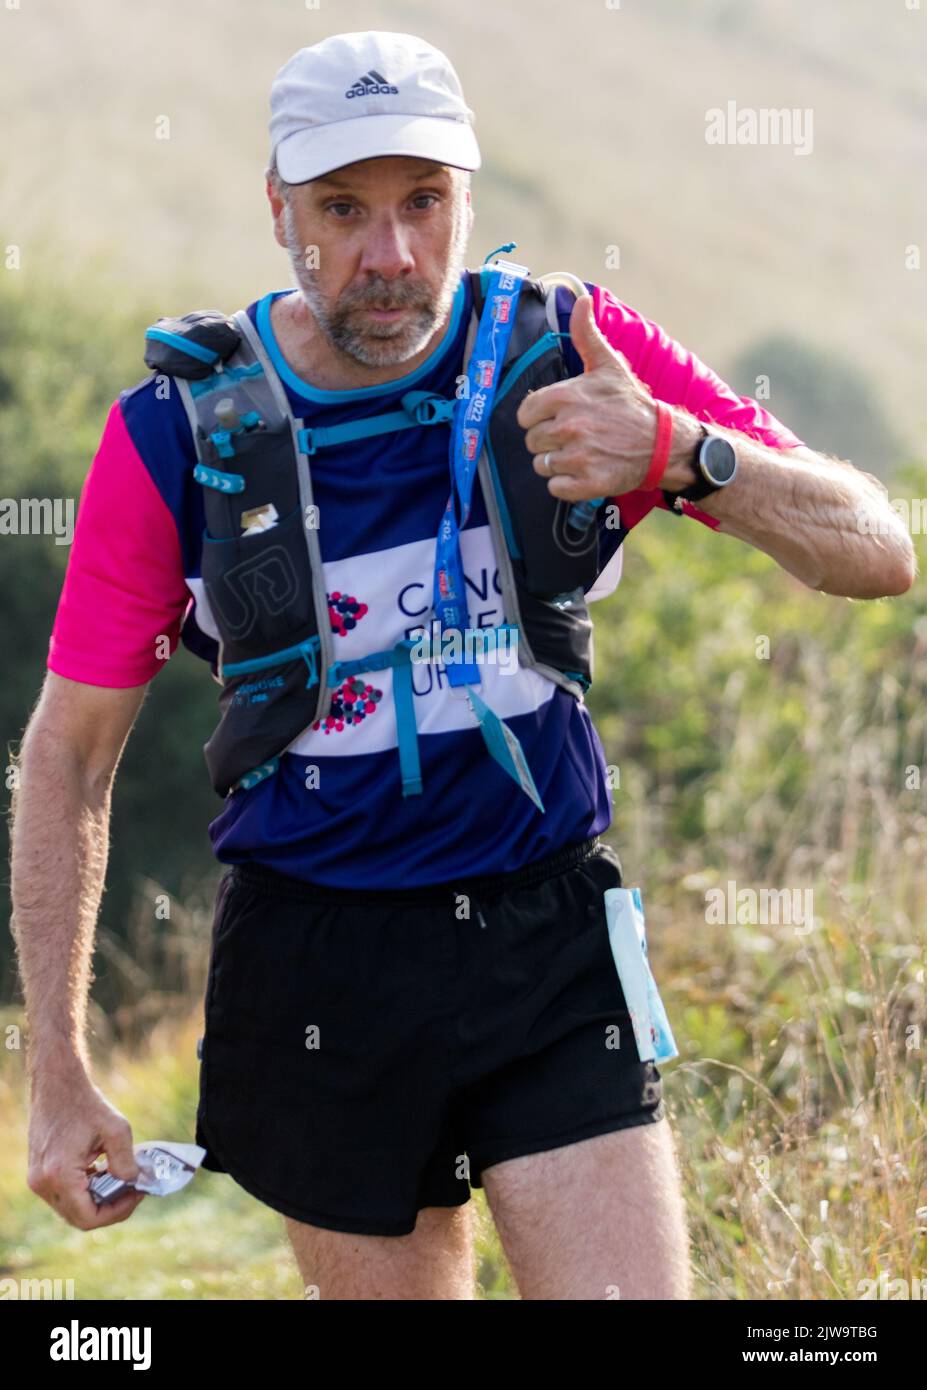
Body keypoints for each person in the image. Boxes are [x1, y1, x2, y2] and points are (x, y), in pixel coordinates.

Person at [9, 30, 915, 1302]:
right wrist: (58, 1065)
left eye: (424, 203)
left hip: (546, 935)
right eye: (343, 210)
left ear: (468, 199)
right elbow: (70, 750)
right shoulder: (175, 431)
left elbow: (878, 550)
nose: (390, 258)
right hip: (316, 956)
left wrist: (677, 450)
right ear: (278, 209)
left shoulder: (572, 353)